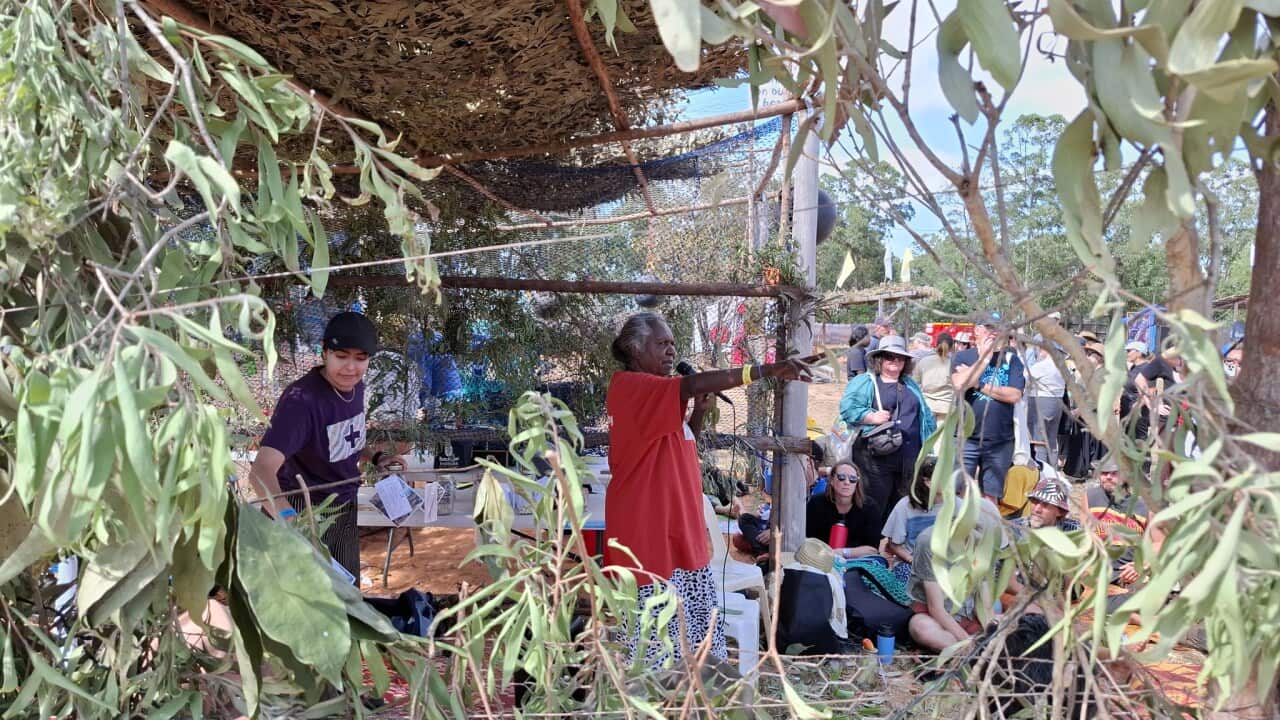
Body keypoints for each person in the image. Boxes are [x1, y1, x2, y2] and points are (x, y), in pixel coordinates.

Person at [605, 312, 811, 665]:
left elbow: (682, 448)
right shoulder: (631, 386)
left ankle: (691, 695)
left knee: (694, 643)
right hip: (648, 535)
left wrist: (697, 414)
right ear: (635, 350)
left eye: (673, 343)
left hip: (679, 533)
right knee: (656, 651)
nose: (671, 351)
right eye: (662, 344)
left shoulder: (658, 398)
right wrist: (766, 371)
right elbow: (690, 384)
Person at [249, 312, 405, 578]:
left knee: (346, 594)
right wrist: (290, 520)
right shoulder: (302, 401)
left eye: (360, 358)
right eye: (341, 356)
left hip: (344, 505)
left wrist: (375, 457)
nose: (350, 368)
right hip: (302, 507)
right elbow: (260, 472)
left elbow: (348, 435)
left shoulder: (355, 386)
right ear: (324, 352)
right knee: (304, 599)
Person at [840, 335, 936, 522]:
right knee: (874, 506)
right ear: (879, 359)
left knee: (901, 507)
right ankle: (871, 547)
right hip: (875, 459)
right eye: (890, 357)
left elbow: (923, 415)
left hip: (908, 459)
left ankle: (893, 546)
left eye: (900, 358)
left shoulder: (910, 384)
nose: (895, 361)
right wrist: (870, 417)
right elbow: (847, 408)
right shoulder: (866, 381)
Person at [907, 479, 1007, 652]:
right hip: (935, 616)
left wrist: (991, 630)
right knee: (921, 628)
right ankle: (965, 651)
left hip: (970, 614)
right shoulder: (930, 542)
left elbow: (985, 602)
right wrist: (969, 643)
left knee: (1013, 622)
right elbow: (936, 608)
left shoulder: (984, 547)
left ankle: (959, 651)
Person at [950, 314, 1026, 503]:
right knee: (958, 491)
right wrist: (984, 359)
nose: (994, 333)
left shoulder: (1011, 359)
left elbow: (1014, 395)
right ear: (977, 331)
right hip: (966, 438)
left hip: (999, 440)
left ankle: (986, 529)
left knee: (992, 495)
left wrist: (978, 385)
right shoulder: (962, 356)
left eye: (998, 329)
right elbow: (960, 384)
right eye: (989, 328)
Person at [1086, 456, 1163, 612]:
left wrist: (1141, 565)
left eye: (1114, 473)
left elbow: (1161, 543)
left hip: (1127, 576)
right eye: (1104, 472)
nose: (1107, 477)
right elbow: (1086, 536)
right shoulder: (1090, 497)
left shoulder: (1144, 506)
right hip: (1099, 573)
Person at [805, 461, 882, 558]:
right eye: (841, 477)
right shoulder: (816, 503)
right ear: (832, 480)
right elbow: (808, 540)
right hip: (819, 559)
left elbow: (872, 549)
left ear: (857, 483)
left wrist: (843, 552)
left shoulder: (870, 507)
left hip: (857, 562)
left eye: (852, 479)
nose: (847, 482)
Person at [881, 456, 939, 583]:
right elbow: (893, 544)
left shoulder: (953, 505)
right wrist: (913, 561)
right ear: (928, 482)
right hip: (910, 563)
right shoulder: (905, 505)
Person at [1024, 342, 1066, 471]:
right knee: (1051, 440)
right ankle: (1052, 471)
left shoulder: (1042, 366)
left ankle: (1041, 472)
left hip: (1041, 401)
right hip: (1057, 402)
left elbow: (1024, 378)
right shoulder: (1061, 367)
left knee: (1039, 440)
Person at [913, 332, 956, 427]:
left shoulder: (924, 361)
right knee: (942, 440)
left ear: (936, 344)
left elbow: (915, 383)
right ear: (952, 347)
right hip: (947, 407)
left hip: (927, 405)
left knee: (927, 439)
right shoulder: (954, 363)